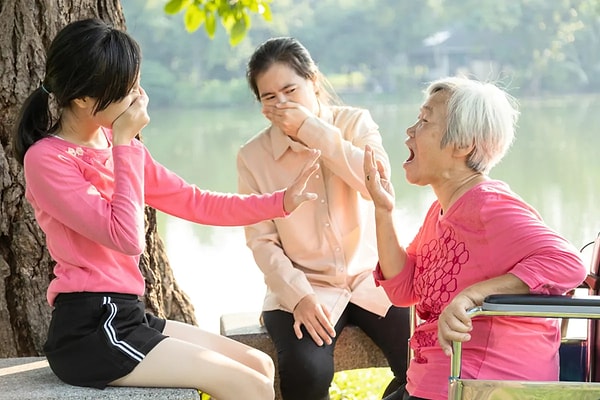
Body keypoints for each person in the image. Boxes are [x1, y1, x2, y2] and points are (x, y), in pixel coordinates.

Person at [12, 19, 323, 400]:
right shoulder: (48, 160)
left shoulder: (117, 143)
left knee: (260, 366)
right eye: (127, 90)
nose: (140, 97)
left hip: (127, 314)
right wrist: (124, 144)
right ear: (83, 99)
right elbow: (125, 238)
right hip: (92, 329)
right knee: (246, 386)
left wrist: (280, 202)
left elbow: (194, 200)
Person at [362, 76, 588, 400]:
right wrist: (383, 211)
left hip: (483, 387)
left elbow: (567, 264)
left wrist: (472, 296)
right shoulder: (443, 211)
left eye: (425, 121)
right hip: (437, 381)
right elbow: (403, 290)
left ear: (463, 144)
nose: (410, 130)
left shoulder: (489, 206)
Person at [236, 36, 411, 400]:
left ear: (313, 82)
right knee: (307, 370)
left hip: (371, 278)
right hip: (303, 287)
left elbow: (377, 187)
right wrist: (298, 296)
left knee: (423, 355)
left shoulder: (355, 123)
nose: (282, 104)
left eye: (290, 90)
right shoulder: (252, 157)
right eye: (269, 98)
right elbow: (261, 240)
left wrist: (312, 131)